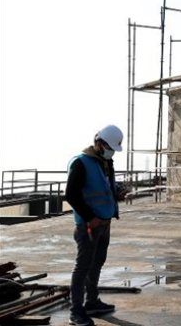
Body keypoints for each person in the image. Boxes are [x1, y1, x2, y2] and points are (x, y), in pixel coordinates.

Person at [65, 125, 127, 326]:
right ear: (99, 143)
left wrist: (117, 193)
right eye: (109, 147)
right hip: (88, 226)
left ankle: (91, 302)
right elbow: (71, 195)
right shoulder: (81, 163)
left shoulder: (105, 162)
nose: (111, 152)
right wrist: (90, 217)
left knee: (97, 263)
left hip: (104, 224)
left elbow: (103, 188)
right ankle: (76, 311)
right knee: (82, 268)